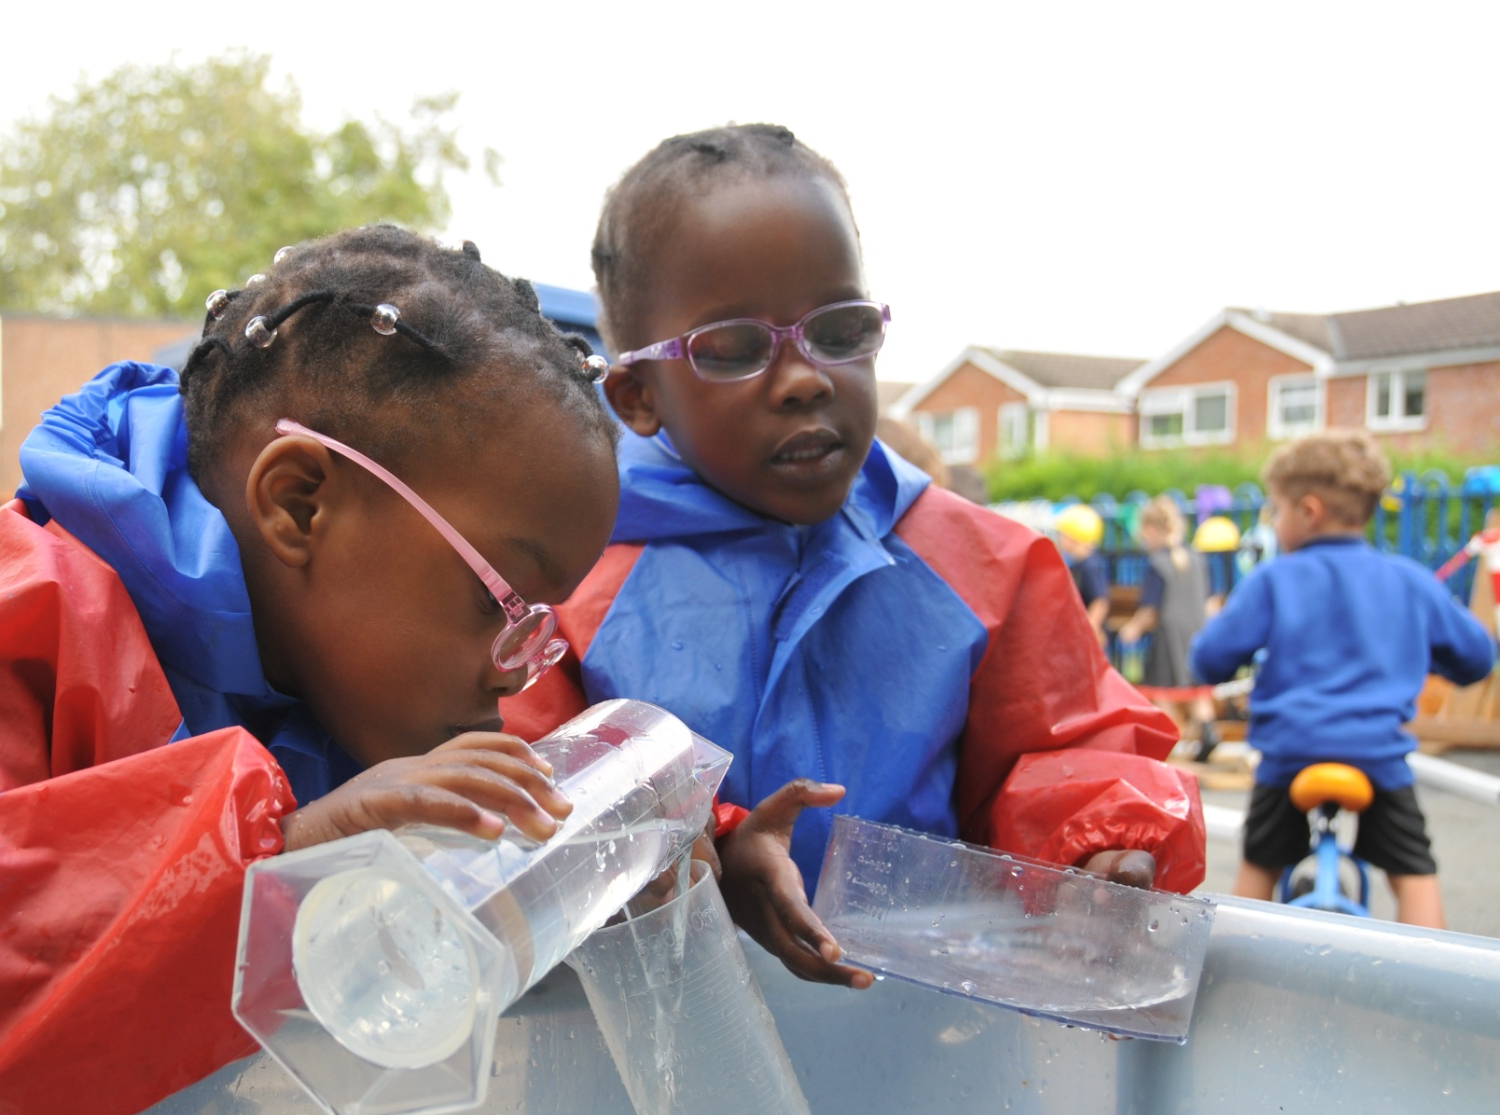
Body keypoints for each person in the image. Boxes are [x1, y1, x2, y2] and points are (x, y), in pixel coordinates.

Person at [0, 228, 625, 1115]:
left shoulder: (340, 684)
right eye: (502, 603)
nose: (520, 671)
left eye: (544, 625)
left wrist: (611, 873)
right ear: (299, 503)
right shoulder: (44, 606)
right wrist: (267, 854)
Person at [506, 125, 1205, 988]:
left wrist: (1102, 842)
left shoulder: (984, 564)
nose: (806, 378)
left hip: (923, 1025)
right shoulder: (563, 575)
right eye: (734, 348)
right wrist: (711, 849)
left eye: (839, 331)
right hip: (657, 1028)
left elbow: (1067, 744)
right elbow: (532, 792)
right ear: (637, 395)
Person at [1192, 431, 1495, 929]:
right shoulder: (1408, 580)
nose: (1274, 522)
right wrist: (1424, 657)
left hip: (1289, 753)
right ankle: (1428, 968)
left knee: (1259, 864)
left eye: (1276, 510)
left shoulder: (1274, 579)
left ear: (1308, 511)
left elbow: (1209, 660)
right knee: (1413, 873)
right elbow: (1477, 658)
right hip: (1378, 754)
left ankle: (1235, 962)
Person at [1119, 496, 1220, 761]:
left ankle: (1171, 739)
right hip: (1197, 631)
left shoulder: (1157, 563)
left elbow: (1150, 610)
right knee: (1195, 687)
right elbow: (1209, 602)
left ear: (1151, 530)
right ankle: (1208, 730)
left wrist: (1132, 629)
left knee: (1162, 689)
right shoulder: (1197, 559)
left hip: (1168, 634)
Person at [1053, 504, 1112, 642]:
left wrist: (1092, 626)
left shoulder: (1090, 566)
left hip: (1087, 635)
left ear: (1075, 536)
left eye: (1063, 534)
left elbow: (1100, 600)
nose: (1060, 538)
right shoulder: (1078, 564)